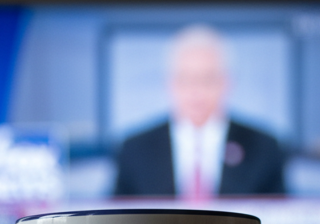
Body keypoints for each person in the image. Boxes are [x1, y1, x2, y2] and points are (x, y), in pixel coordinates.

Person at [114, 25, 285, 198]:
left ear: (227, 82)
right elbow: (117, 212)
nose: (196, 90)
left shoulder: (263, 148)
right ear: (170, 83)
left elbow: (279, 211)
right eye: (186, 79)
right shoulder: (135, 150)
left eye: (207, 79)